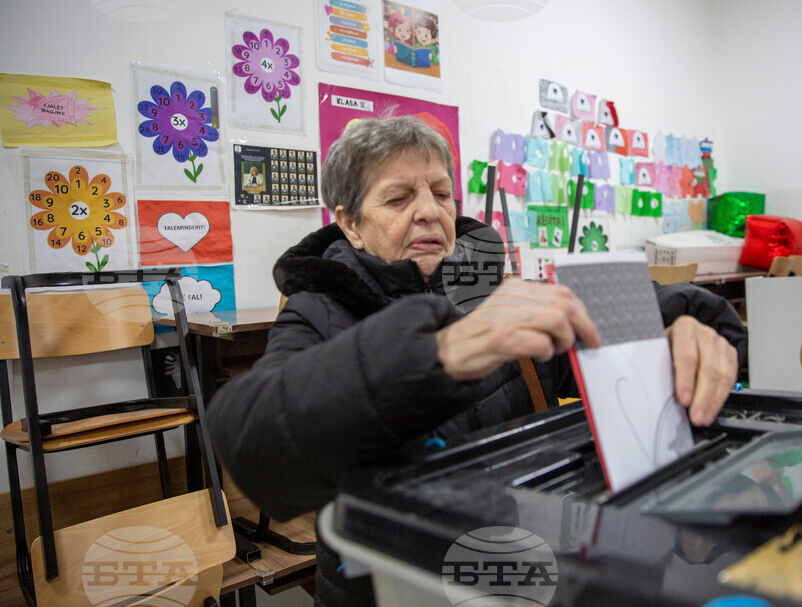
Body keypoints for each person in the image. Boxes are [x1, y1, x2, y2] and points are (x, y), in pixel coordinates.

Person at [207, 116, 746, 605]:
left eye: (442, 193)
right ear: (349, 223)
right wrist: (437, 352)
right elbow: (254, 446)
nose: (429, 211)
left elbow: (660, 313)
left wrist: (683, 328)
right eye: (398, 199)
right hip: (384, 584)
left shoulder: (494, 287)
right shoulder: (317, 307)